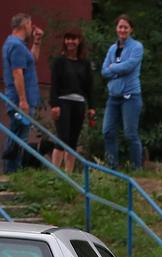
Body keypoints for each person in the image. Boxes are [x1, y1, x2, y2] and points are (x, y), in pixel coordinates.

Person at [100, 14, 144, 171]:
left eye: (126, 27)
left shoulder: (137, 47)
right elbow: (103, 71)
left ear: (131, 29)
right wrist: (114, 69)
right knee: (107, 131)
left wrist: (113, 68)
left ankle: (136, 168)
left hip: (130, 96)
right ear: (116, 29)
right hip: (113, 97)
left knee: (130, 134)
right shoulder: (112, 48)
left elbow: (129, 66)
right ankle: (111, 167)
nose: (123, 29)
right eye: (120, 26)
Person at [0, 12, 40, 174]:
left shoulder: (17, 45)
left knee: (18, 133)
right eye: (30, 25)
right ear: (24, 25)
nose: (32, 28)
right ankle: (12, 171)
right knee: (18, 136)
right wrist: (23, 100)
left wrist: (37, 41)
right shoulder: (16, 45)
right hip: (19, 98)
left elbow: (32, 60)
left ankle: (13, 170)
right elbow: (17, 73)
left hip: (22, 97)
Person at [50, 30, 95, 171]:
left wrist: (91, 107)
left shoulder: (85, 63)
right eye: (68, 39)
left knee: (73, 140)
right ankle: (55, 173)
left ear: (79, 41)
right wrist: (54, 104)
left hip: (79, 103)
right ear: (64, 41)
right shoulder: (59, 61)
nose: (70, 42)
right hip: (63, 102)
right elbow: (54, 84)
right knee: (62, 139)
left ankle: (69, 175)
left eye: (73, 39)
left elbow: (89, 86)